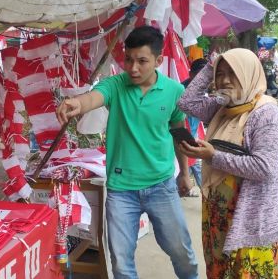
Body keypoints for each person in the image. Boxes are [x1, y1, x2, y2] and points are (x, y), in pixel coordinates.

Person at [56, 26, 198, 279]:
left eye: (142, 61)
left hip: (161, 186)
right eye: (129, 60)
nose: (133, 68)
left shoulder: (175, 91)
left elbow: (179, 135)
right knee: (121, 263)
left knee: (181, 252)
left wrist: (184, 174)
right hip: (122, 191)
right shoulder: (115, 85)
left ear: (158, 60)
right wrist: (77, 104)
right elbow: (93, 98)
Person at [176, 48, 278, 279]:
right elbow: (186, 102)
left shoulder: (267, 115)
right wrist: (210, 67)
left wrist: (212, 156)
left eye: (233, 73)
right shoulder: (222, 109)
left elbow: (265, 168)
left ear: (249, 74)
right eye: (220, 74)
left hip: (253, 223)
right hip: (219, 217)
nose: (224, 80)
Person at [181, 58, 209, 195]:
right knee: (192, 164)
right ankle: (206, 193)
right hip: (180, 136)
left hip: (193, 134)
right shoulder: (181, 91)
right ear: (191, 74)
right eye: (199, 75)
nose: (203, 79)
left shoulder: (204, 91)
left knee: (195, 164)